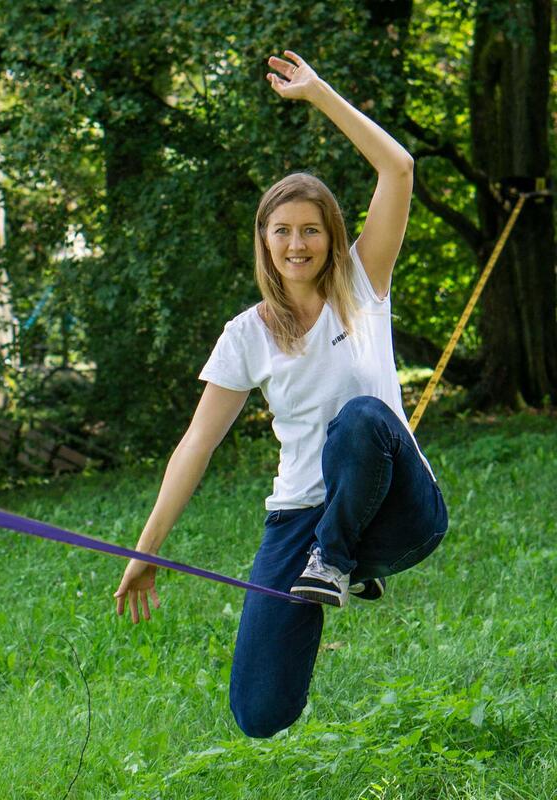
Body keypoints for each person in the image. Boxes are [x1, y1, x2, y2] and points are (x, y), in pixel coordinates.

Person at [113, 49, 449, 738]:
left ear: (330, 237)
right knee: (259, 713)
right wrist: (145, 553)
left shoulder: (362, 284)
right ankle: (336, 554)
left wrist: (321, 93)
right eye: (282, 231)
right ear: (264, 242)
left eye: (311, 230)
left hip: (400, 508)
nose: (297, 244)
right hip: (300, 515)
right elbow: (196, 445)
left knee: (360, 421)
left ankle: (342, 554)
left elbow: (399, 168)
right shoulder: (246, 334)